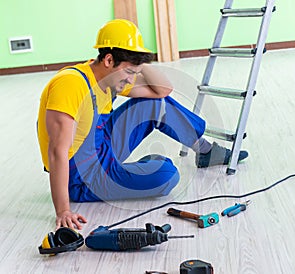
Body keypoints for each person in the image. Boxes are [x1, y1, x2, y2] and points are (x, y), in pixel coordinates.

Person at [37, 19, 248, 230]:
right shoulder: (71, 85)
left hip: (101, 146)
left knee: (154, 104)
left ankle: (205, 152)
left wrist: (138, 62)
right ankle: (139, 170)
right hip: (84, 176)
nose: (131, 81)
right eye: (129, 73)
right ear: (109, 60)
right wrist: (63, 210)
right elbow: (57, 151)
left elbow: (163, 90)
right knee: (166, 176)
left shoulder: (109, 79)